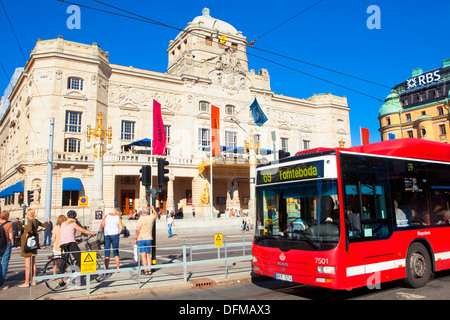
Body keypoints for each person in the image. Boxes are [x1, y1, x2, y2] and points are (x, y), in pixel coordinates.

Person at [19, 208, 47, 288]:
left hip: (27, 244)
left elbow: (29, 230)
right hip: (34, 244)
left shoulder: (30, 221)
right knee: (33, 263)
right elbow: (45, 226)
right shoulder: (36, 221)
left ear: (29, 214)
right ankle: (33, 280)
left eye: (26, 214)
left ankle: (26, 282)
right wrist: (38, 231)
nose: (26, 215)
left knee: (27, 264)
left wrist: (28, 235)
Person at [134, 206, 157, 275]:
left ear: (142, 212)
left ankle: (145, 270)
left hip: (141, 238)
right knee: (148, 254)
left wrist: (135, 238)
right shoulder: (151, 218)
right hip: (148, 238)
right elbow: (156, 215)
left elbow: (138, 229)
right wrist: (153, 208)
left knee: (143, 255)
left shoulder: (141, 219)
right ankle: (149, 270)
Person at [0, 210, 13, 289]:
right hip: (6, 244)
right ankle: (1, 282)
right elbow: (11, 236)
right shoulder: (9, 224)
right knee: (4, 262)